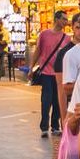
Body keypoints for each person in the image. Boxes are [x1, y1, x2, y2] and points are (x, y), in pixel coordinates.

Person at [32, 10, 70, 138]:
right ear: (57, 19)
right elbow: (38, 51)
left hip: (60, 74)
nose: (66, 22)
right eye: (64, 19)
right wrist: (31, 67)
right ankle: (44, 127)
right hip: (46, 73)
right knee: (46, 100)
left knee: (58, 100)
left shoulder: (67, 38)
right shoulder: (44, 34)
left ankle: (55, 126)